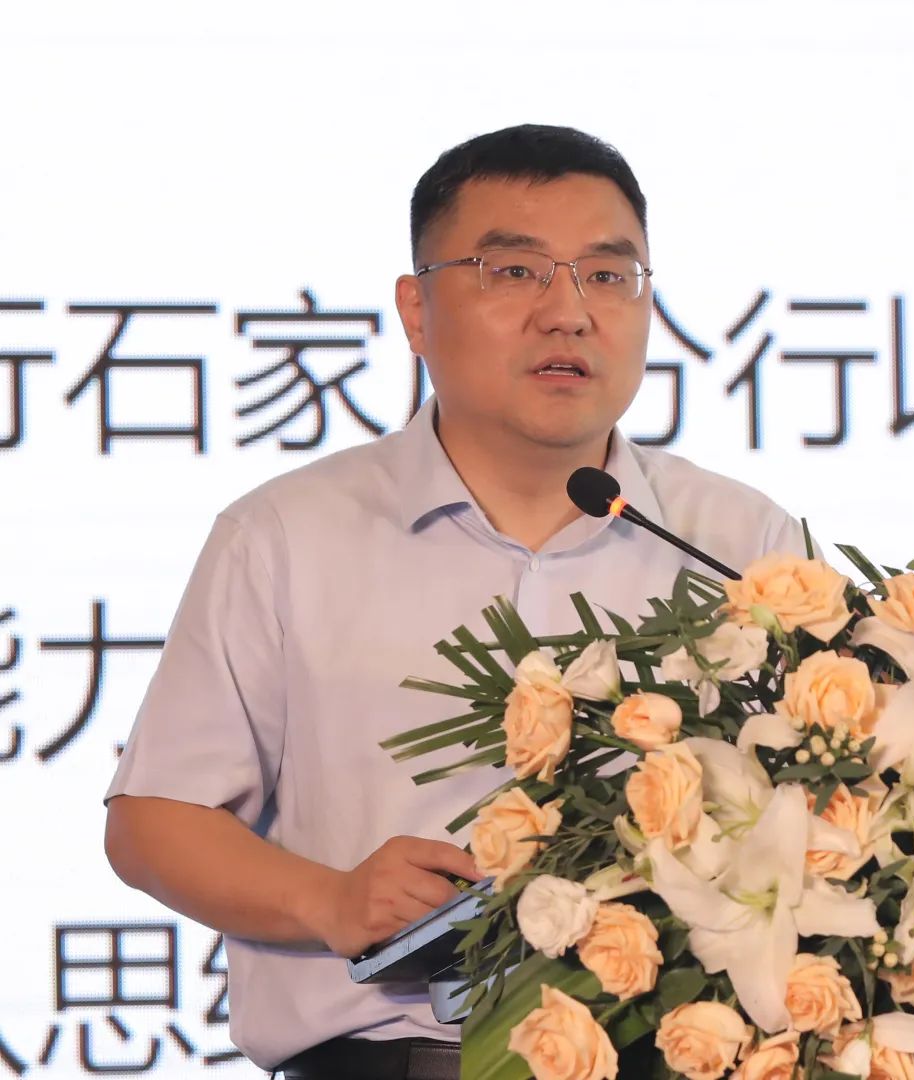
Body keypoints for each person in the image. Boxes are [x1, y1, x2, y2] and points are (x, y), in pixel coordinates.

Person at [104, 124, 810, 1079]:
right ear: (417, 309)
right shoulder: (285, 537)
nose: (568, 313)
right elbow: (155, 821)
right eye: (514, 272)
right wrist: (330, 900)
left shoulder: (740, 543)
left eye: (609, 276)